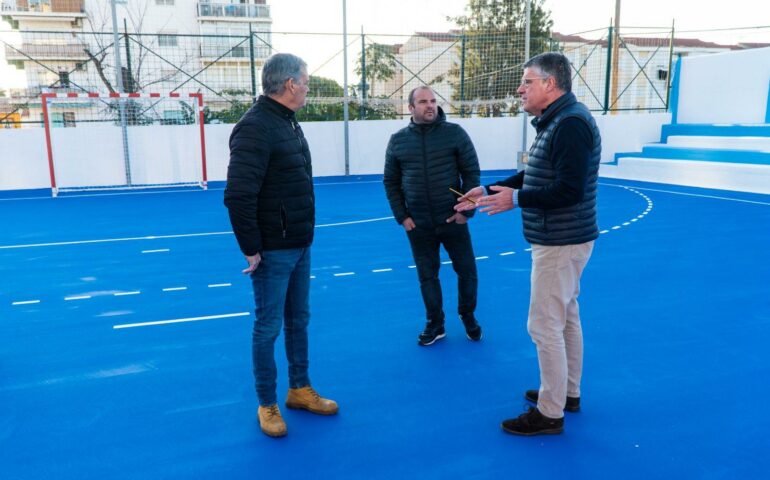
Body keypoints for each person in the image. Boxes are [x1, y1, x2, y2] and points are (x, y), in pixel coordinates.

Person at [456, 52, 601, 435]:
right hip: (563, 238)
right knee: (565, 317)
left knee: (544, 325)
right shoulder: (558, 122)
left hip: (561, 240)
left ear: (550, 85)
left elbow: (569, 190)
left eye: (527, 81)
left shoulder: (570, 125)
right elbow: (536, 172)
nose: (520, 89)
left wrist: (514, 199)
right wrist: (489, 189)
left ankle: (550, 413)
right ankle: (566, 393)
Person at [224, 53, 338, 438]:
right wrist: (252, 248)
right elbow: (238, 195)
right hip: (273, 250)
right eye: (305, 81)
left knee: (298, 320)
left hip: (299, 243)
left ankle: (299, 389)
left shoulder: (286, 122)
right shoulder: (256, 128)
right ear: (290, 84)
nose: (307, 87)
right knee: (268, 327)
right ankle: (267, 403)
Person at [384, 85, 483, 346]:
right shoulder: (398, 140)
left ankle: (467, 315)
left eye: (433, 101)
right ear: (411, 107)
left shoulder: (455, 134)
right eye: (423, 102)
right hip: (419, 226)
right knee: (427, 276)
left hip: (453, 220)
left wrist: (467, 212)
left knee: (468, 272)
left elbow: (472, 174)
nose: (430, 106)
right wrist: (403, 217)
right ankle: (435, 323)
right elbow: (390, 182)